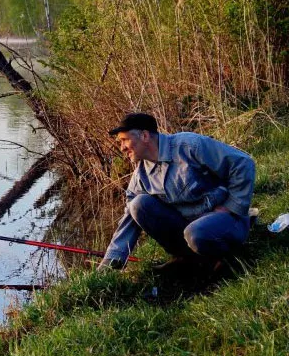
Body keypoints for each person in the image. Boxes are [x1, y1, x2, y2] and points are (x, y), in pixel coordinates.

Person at [98, 113, 256, 272]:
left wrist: (231, 206)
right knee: (138, 205)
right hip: (189, 230)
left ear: (145, 136)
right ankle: (187, 258)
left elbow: (243, 163)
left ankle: (229, 259)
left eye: (124, 140)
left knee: (196, 232)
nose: (122, 148)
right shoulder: (140, 176)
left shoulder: (189, 145)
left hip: (225, 220)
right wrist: (110, 262)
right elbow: (128, 220)